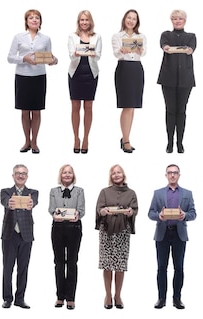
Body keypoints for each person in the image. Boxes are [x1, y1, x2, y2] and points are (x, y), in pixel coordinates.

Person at [7, 9, 57, 154]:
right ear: (26, 21)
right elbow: (10, 57)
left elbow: (50, 58)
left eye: (37, 18)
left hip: (39, 76)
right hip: (22, 76)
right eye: (31, 18)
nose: (34, 20)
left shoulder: (46, 39)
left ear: (40, 21)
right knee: (24, 111)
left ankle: (34, 141)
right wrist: (24, 58)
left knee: (36, 111)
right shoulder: (18, 37)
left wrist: (53, 60)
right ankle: (26, 141)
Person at [148, 164, 196, 309]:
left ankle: (177, 299)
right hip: (162, 233)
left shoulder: (188, 193)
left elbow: (193, 214)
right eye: (170, 173)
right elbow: (150, 213)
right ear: (166, 175)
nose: (173, 175)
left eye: (175, 173)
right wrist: (159, 216)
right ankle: (161, 298)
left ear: (179, 175)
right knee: (161, 268)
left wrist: (185, 215)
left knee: (179, 268)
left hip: (179, 234)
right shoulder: (158, 193)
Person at [95, 164, 138, 309]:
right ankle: (108, 295)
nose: (116, 175)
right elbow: (98, 208)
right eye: (113, 173)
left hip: (122, 231)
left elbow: (135, 209)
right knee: (107, 264)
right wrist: (103, 211)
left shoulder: (131, 193)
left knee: (120, 265)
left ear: (123, 175)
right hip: (106, 231)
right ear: (110, 176)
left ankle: (118, 295)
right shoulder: (104, 192)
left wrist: (131, 212)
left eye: (119, 172)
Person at [0, 164, 38, 309]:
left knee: (23, 268)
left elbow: (33, 203)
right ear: (13, 176)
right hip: (9, 234)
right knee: (7, 268)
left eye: (23, 174)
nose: (21, 176)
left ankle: (20, 299)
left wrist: (31, 203)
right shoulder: (5, 192)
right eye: (18, 173)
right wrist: (9, 204)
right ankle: (7, 298)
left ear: (27, 176)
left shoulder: (33, 192)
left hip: (26, 234)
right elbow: (4, 202)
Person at [157, 10, 196, 154]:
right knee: (170, 111)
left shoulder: (191, 36)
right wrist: (168, 48)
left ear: (185, 20)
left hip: (186, 79)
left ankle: (180, 143)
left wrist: (186, 50)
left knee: (181, 111)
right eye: (174, 19)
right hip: (168, 78)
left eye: (180, 19)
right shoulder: (166, 35)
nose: (177, 21)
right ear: (171, 20)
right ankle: (169, 143)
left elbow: (191, 49)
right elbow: (165, 46)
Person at [48, 164, 85, 310]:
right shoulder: (53, 191)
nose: (67, 175)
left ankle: (70, 297)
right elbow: (51, 208)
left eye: (70, 172)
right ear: (61, 175)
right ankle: (59, 296)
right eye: (65, 172)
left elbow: (81, 209)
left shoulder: (79, 191)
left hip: (74, 228)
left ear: (73, 175)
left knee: (72, 262)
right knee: (58, 262)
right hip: (57, 227)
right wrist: (54, 215)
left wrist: (77, 215)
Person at [112, 9, 146, 153]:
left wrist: (140, 50)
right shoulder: (117, 36)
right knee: (127, 105)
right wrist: (122, 50)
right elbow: (116, 53)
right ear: (124, 19)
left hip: (137, 69)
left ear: (137, 22)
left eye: (134, 19)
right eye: (129, 18)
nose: (131, 21)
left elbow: (144, 53)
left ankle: (126, 137)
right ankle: (125, 140)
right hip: (124, 69)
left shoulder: (141, 36)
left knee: (133, 107)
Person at [68, 10, 101, 154]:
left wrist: (93, 54)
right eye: (82, 20)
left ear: (90, 22)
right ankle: (76, 138)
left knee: (88, 106)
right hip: (75, 73)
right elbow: (70, 55)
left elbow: (99, 55)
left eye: (86, 20)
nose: (84, 22)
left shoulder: (97, 37)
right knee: (75, 106)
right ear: (78, 22)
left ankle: (86, 138)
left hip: (91, 73)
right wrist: (75, 54)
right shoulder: (72, 36)